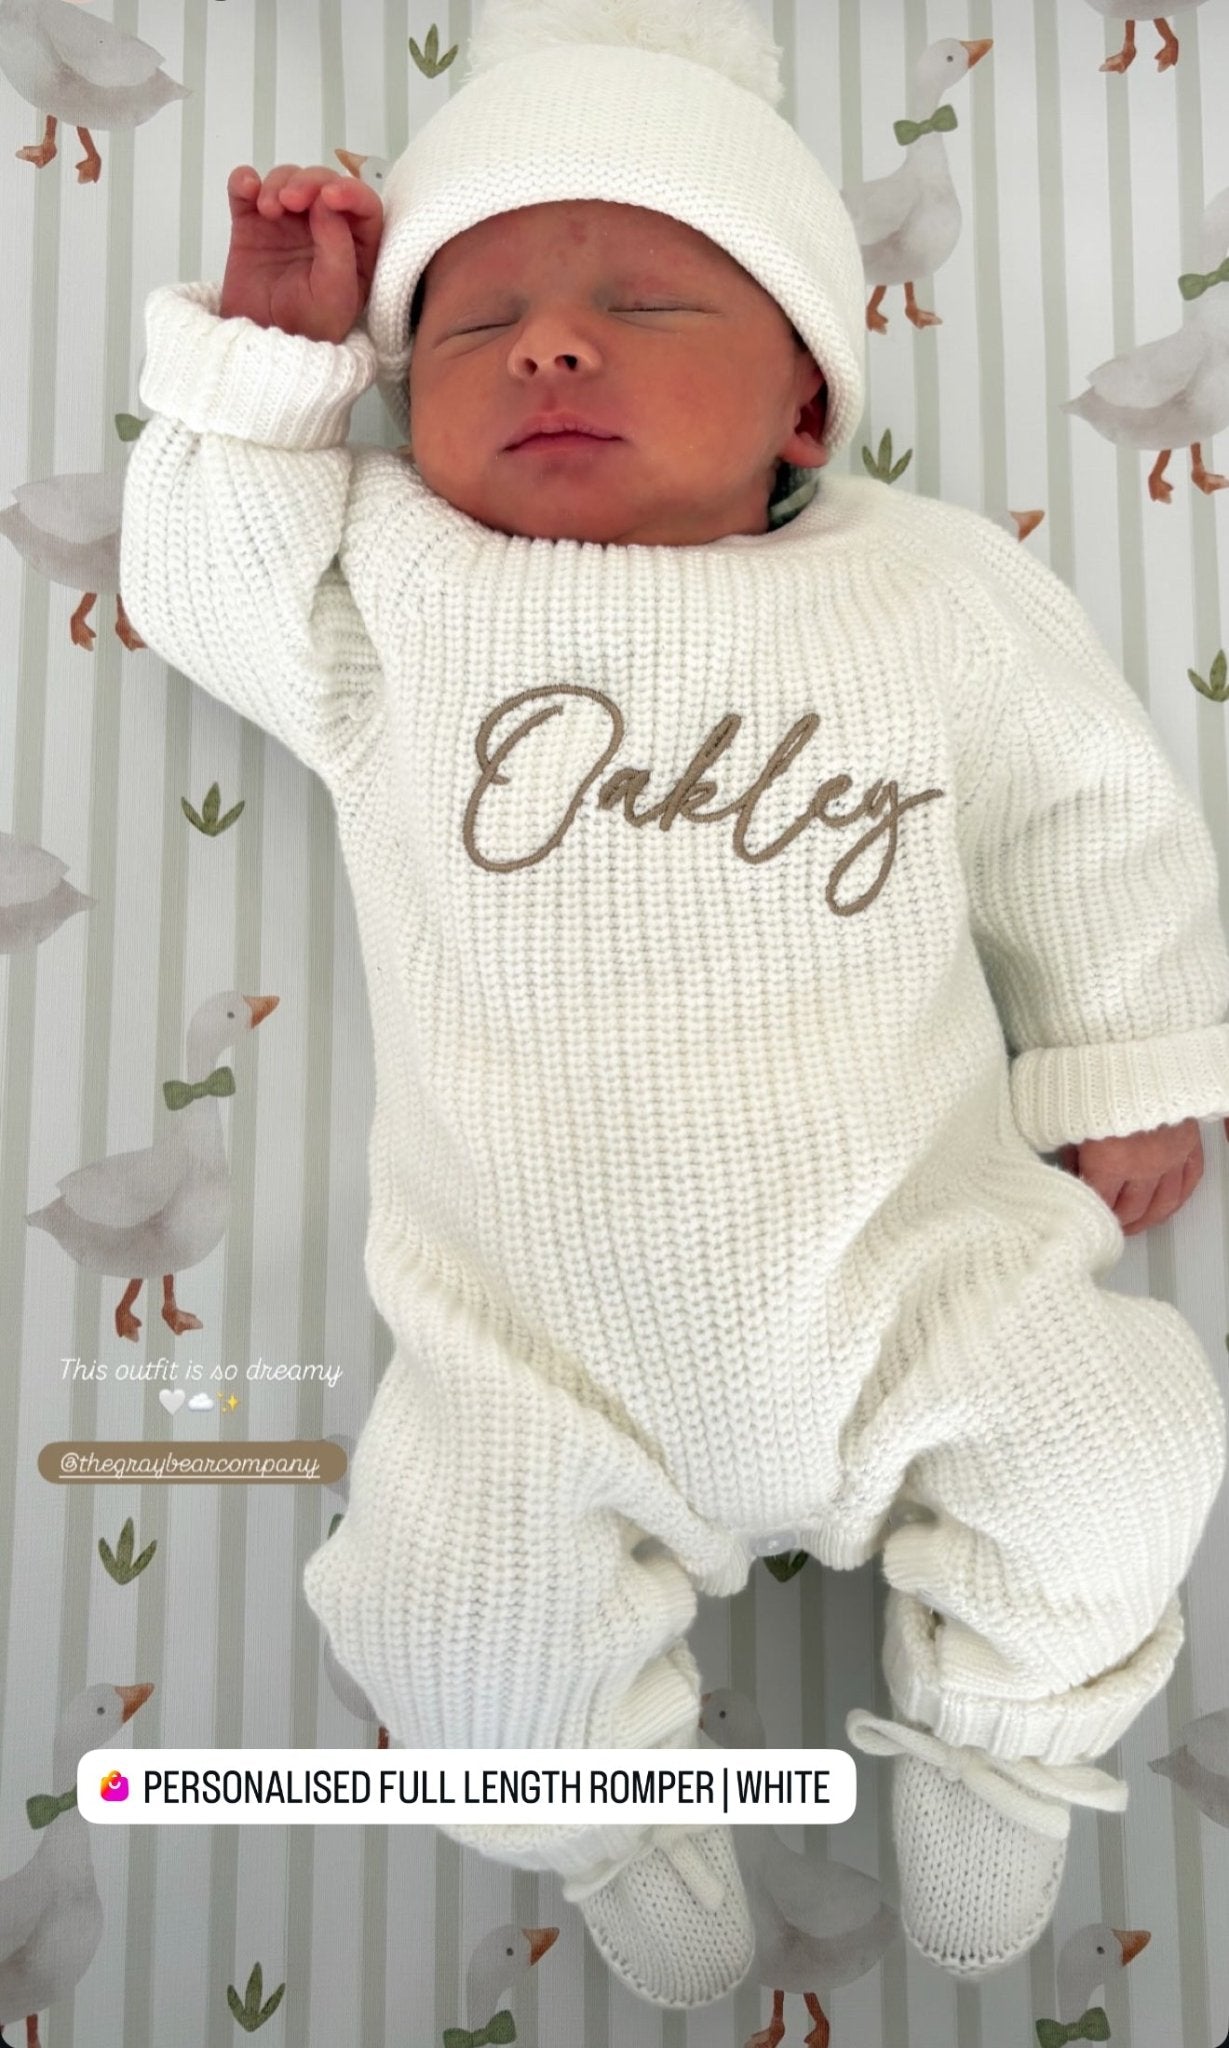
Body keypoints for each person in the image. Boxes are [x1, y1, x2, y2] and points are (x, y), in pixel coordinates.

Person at [119, 0, 1229, 2012]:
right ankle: (601, 1805)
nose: (550, 344)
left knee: (1121, 1446)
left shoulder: (926, 588)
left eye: (642, 302)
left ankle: (1009, 1723)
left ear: (804, 400)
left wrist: (1125, 1052)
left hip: (929, 1278)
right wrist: (277, 365)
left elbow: (1085, 810)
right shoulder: (399, 594)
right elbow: (203, 588)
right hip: (529, 1360)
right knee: (450, 1627)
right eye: (473, 324)